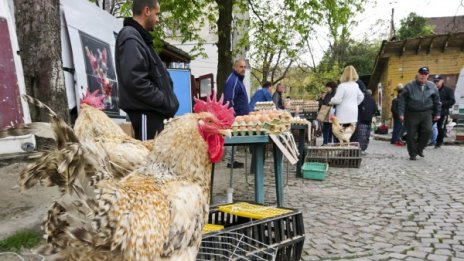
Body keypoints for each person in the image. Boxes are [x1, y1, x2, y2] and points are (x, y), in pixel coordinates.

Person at [115, 0, 179, 141]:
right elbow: (135, 80)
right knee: (147, 161)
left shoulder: (139, 38)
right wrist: (162, 100)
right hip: (145, 114)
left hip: (151, 114)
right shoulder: (131, 37)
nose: (157, 20)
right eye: (157, 14)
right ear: (147, 11)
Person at [398, 67, 441, 160]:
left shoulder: (432, 86)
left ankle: (420, 148)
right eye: (421, 74)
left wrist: (438, 113)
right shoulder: (409, 86)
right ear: (418, 74)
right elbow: (401, 99)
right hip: (412, 113)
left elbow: (437, 100)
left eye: (425, 74)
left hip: (427, 112)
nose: (423, 76)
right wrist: (401, 113)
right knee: (411, 134)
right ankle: (412, 153)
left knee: (428, 130)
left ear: (428, 75)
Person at [223, 59, 249, 168]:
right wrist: (233, 116)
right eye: (241, 67)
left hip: (239, 116)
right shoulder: (233, 80)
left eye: (244, 67)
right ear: (235, 67)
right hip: (234, 116)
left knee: (234, 138)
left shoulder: (238, 79)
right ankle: (230, 161)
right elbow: (229, 99)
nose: (243, 69)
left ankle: (232, 159)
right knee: (231, 137)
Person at [433, 74, 455, 148]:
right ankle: (426, 140)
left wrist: (442, 103)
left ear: (442, 81)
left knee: (441, 128)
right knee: (427, 126)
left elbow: (452, 101)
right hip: (432, 112)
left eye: (437, 81)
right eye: (435, 81)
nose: (436, 83)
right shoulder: (432, 90)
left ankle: (439, 142)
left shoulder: (448, 90)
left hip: (443, 112)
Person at [356, 89, 379, 154]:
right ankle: (364, 149)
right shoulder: (373, 100)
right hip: (369, 120)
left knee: (361, 135)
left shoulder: (361, 100)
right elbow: (375, 110)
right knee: (367, 135)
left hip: (361, 120)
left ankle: (360, 149)